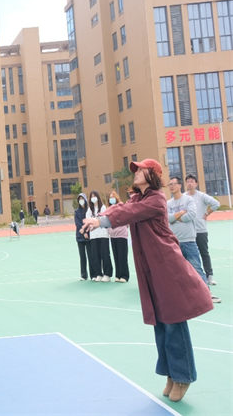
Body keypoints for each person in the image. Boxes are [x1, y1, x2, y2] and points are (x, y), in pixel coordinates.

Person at [82, 159, 213, 403]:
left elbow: (128, 213)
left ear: (152, 175)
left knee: (173, 321)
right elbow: (122, 207)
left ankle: (183, 376)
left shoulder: (155, 199)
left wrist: (100, 221)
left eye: (141, 170)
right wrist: (99, 216)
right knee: (160, 323)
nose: (136, 173)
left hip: (167, 266)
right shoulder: (137, 198)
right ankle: (171, 374)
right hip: (150, 269)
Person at [167, 177, 221, 304]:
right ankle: (184, 295)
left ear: (180, 185)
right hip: (174, 241)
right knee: (178, 270)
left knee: (196, 267)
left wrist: (175, 218)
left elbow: (191, 215)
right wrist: (181, 213)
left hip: (189, 240)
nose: (171, 186)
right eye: (170, 184)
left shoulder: (188, 199)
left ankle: (206, 294)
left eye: (174, 184)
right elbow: (167, 219)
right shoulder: (168, 203)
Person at [185, 174, 221, 285]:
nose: (190, 183)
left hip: (201, 230)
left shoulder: (201, 196)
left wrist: (207, 213)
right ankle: (191, 277)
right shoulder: (183, 197)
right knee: (189, 255)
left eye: (192, 181)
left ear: (196, 184)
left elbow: (216, 204)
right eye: (188, 181)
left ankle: (209, 276)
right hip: (188, 231)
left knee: (204, 253)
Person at [86, 191, 112, 282]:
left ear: (98, 197)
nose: (93, 198)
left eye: (94, 196)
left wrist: (95, 220)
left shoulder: (103, 207)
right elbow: (88, 221)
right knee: (95, 255)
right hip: (93, 236)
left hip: (103, 235)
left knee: (105, 254)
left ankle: (107, 274)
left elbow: (104, 220)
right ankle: (98, 274)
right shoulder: (90, 210)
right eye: (91, 196)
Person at [107, 191, 130, 283]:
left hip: (121, 235)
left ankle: (124, 276)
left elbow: (127, 219)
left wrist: (122, 228)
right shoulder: (109, 209)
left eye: (113, 197)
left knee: (122, 256)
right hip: (113, 236)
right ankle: (118, 275)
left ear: (116, 198)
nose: (111, 199)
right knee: (116, 256)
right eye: (110, 197)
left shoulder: (121, 207)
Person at [74, 193, 90, 281]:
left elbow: (89, 222)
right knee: (82, 257)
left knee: (91, 256)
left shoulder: (89, 210)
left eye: (82, 198)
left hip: (88, 236)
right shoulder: (76, 212)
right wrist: (83, 232)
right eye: (79, 199)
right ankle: (84, 275)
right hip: (80, 237)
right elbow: (78, 223)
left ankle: (93, 274)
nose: (81, 200)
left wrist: (86, 231)